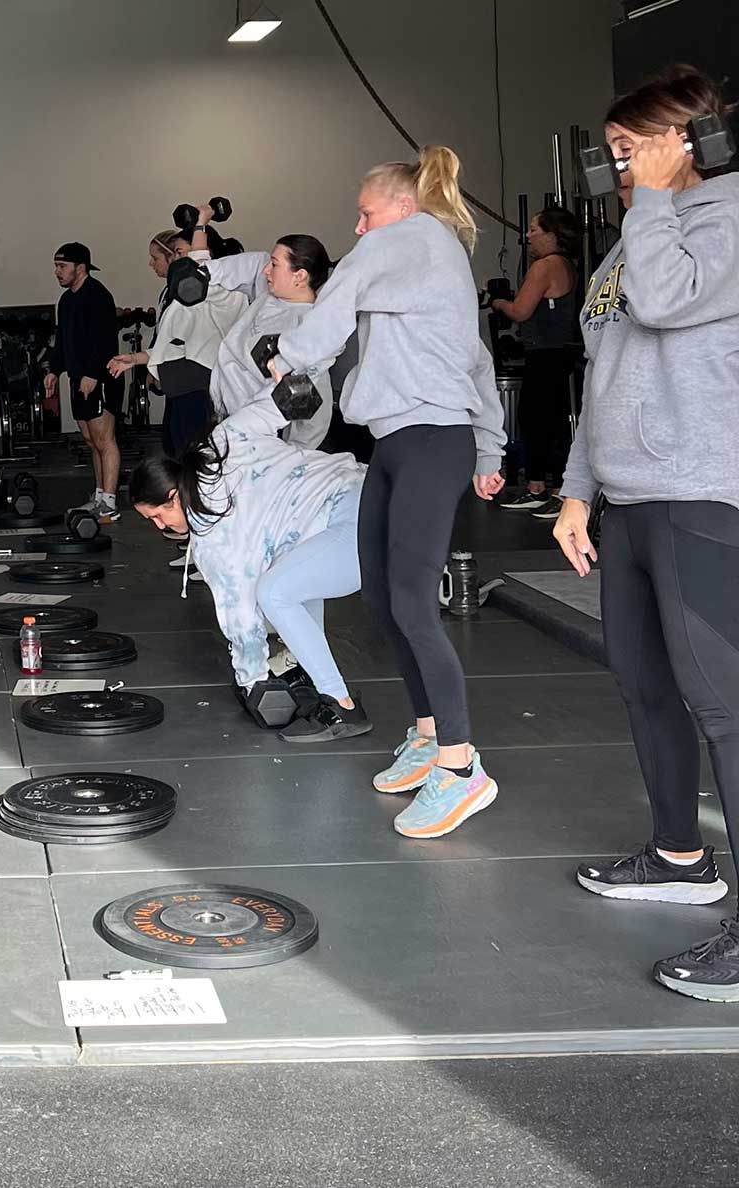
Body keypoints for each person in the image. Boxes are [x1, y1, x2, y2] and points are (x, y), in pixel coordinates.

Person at [549, 66, 739, 1001]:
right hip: (627, 500)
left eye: (631, 151)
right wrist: (579, 489)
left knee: (725, 709)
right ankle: (678, 856)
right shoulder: (636, 235)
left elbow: (666, 303)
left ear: (688, 141)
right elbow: (607, 364)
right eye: (616, 154)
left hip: (703, 494)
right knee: (646, 687)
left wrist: (655, 199)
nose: (617, 170)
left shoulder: (728, 221)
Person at [270, 146, 506, 839]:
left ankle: (463, 771)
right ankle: (431, 735)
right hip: (402, 440)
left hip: (432, 439)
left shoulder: (414, 238)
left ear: (401, 207)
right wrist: (489, 444)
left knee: (411, 601)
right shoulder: (421, 261)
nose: (359, 227)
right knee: (380, 594)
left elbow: (337, 293)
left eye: (365, 213)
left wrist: (292, 356)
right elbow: (477, 356)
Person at [131, 387, 372, 743]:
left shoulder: (213, 536)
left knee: (273, 593)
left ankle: (341, 706)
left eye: (156, 517)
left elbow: (240, 615)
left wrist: (252, 679)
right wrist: (291, 371)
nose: (160, 528)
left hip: (359, 524)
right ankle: (312, 673)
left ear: (171, 498)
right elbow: (279, 402)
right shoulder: (221, 440)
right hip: (376, 493)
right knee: (296, 582)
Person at [108, 226, 246, 458]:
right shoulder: (181, 296)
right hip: (179, 387)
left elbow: (201, 267)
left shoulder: (222, 291)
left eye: (181, 253)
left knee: (196, 458)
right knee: (176, 451)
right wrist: (135, 359)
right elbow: (169, 343)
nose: (176, 260)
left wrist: (201, 221)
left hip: (199, 386)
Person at [201, 234, 340, 450]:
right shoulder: (269, 297)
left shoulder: (307, 330)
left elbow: (313, 411)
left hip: (255, 439)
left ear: (300, 276)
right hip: (224, 418)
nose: (266, 270)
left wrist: (291, 455)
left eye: (274, 264)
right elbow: (249, 266)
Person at [490, 206, 586, 513]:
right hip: (558, 353)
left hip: (545, 353)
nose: (528, 236)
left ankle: (544, 489)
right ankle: (550, 488)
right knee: (550, 420)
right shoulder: (569, 266)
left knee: (536, 420)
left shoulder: (545, 267)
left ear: (552, 235)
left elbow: (520, 311)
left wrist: (499, 302)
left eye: (534, 230)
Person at [45, 243, 122, 520]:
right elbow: (63, 341)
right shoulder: (66, 301)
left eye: (62, 266)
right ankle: (100, 495)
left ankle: (110, 503)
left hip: (99, 377)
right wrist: (54, 370)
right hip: (78, 378)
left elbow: (105, 341)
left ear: (81, 267)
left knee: (105, 439)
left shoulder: (98, 296)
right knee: (90, 440)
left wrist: (93, 373)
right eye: (56, 266)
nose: (57, 272)